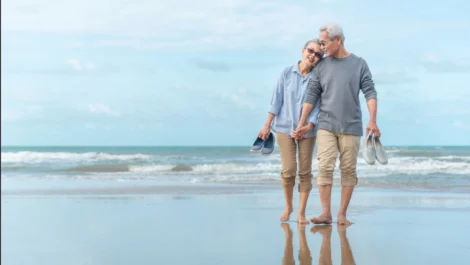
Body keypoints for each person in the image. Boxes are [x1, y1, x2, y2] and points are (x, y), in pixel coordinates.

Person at [293, 22, 380, 225]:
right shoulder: (321, 67)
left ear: (337, 40)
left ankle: (341, 215)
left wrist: (373, 120)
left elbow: (370, 92)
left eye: (324, 43)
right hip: (326, 125)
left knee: (348, 170)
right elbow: (312, 94)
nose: (322, 48)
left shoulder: (359, 64)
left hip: (352, 126)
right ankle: (326, 214)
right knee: (324, 168)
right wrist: (302, 122)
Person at [258, 39, 324, 224]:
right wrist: (266, 125)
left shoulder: (318, 78)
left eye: (318, 54)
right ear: (303, 51)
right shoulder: (286, 73)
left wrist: (309, 125)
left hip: (307, 131)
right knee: (288, 170)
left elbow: (318, 106)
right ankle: (288, 206)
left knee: (305, 172)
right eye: (311, 50)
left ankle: (301, 213)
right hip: (284, 128)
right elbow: (276, 101)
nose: (313, 55)